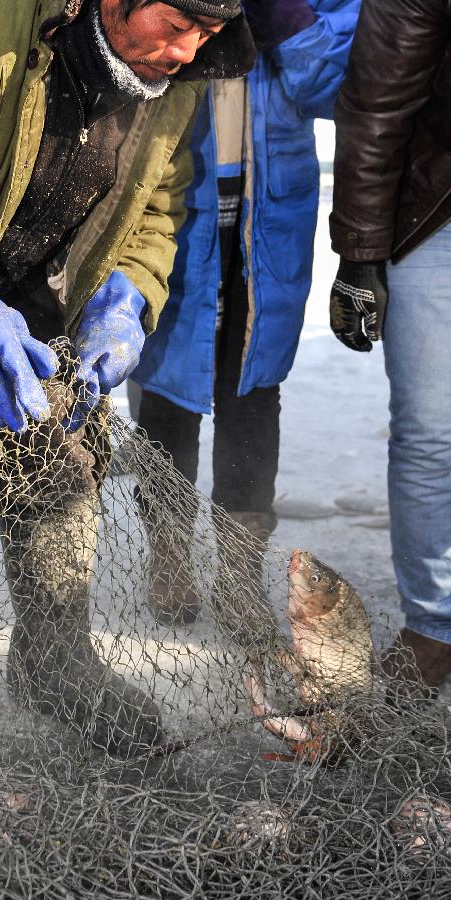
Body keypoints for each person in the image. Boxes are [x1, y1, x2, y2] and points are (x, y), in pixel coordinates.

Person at [0, 0, 256, 754]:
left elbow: (158, 205)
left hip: (47, 301)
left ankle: (55, 662)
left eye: (208, 33)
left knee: (61, 473)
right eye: (176, 23)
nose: (185, 52)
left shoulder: (172, 80)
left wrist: (128, 296)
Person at [130, 0, 360, 625]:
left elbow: (336, 88)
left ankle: (238, 570)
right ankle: (169, 555)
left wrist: (285, 15)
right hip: (169, 212)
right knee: (166, 387)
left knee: (253, 389)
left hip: (268, 223)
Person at [329, 0, 451, 692]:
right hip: (439, 212)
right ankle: (433, 631)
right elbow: (377, 99)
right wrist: (359, 253)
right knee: (430, 433)